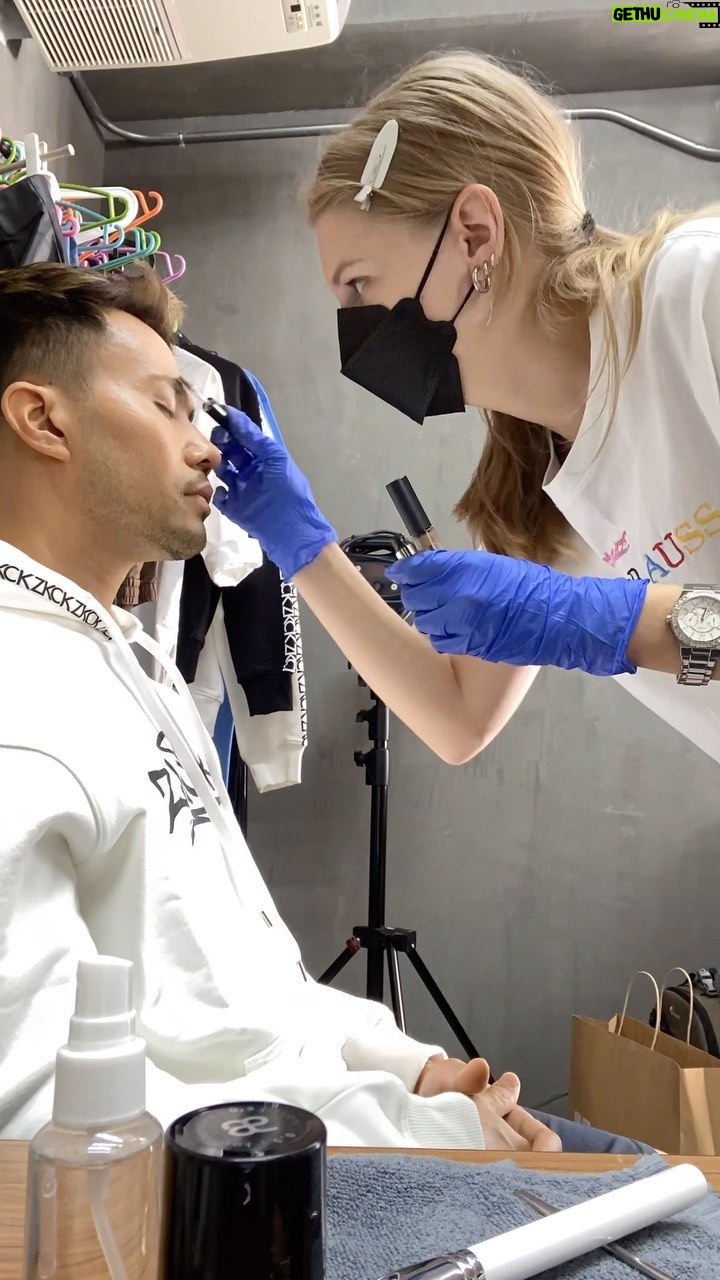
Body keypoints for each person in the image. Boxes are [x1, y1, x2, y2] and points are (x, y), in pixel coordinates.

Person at [0, 261, 649, 1156]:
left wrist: (404, 1064)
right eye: (166, 407)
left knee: (652, 1181)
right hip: (266, 1170)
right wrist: (419, 1127)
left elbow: (241, 989)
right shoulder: (24, 694)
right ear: (42, 419)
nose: (207, 449)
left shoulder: (132, 658)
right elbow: (34, 1114)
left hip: (325, 1112)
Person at [209, 50, 720, 770]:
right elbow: (457, 718)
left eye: (359, 286)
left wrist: (604, 620)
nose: (353, 331)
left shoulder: (698, 295)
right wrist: (302, 545)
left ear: (475, 232)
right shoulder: (540, 469)